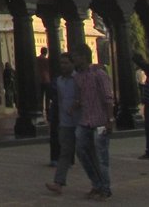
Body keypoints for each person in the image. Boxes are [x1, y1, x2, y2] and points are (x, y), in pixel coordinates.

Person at [73, 45, 114, 201]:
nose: (74, 60)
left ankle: (105, 188)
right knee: (81, 151)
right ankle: (96, 183)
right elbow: (80, 97)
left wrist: (110, 119)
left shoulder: (99, 74)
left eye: (76, 56)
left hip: (101, 121)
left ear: (84, 56)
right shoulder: (78, 77)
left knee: (101, 156)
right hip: (85, 120)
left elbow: (107, 98)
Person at [45, 54, 79, 195]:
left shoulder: (79, 79)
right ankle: (58, 183)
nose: (63, 66)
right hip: (65, 122)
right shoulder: (59, 81)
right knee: (64, 153)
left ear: (72, 63)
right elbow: (59, 101)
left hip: (81, 121)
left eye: (66, 63)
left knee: (86, 153)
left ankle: (99, 183)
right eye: (61, 63)